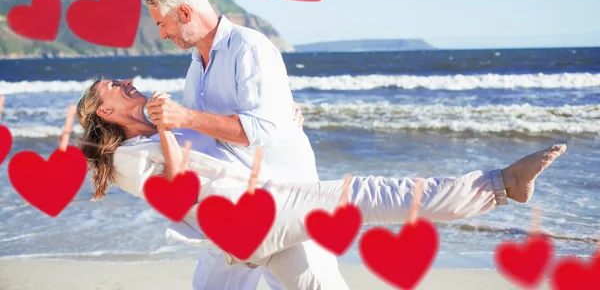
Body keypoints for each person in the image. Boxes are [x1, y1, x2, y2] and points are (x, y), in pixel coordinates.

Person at [76, 78, 567, 290]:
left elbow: (233, 146)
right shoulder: (121, 159)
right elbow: (179, 186)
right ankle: (499, 185)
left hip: (255, 222)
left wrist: (282, 126)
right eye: (114, 88)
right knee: (362, 194)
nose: (126, 84)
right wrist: (165, 125)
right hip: (254, 220)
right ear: (105, 111)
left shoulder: (177, 126)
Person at [142, 0, 345, 289]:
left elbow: (259, 131)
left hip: (287, 198)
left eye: (162, 24)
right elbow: (200, 137)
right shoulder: (196, 68)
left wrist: (183, 117)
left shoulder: (249, 47)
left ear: (183, 12)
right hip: (233, 202)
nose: (163, 34)